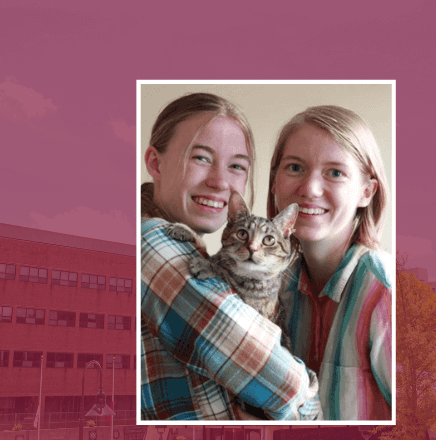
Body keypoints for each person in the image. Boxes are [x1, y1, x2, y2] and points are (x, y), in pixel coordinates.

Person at [139, 93, 321, 420]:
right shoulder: (153, 243)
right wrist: (309, 394)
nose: (220, 182)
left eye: (236, 165)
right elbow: (288, 388)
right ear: (155, 162)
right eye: (201, 158)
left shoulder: (191, 250)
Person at [268, 105, 392, 420]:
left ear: (367, 191)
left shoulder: (385, 292)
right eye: (295, 167)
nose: (309, 189)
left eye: (335, 172)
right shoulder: (271, 289)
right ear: (274, 182)